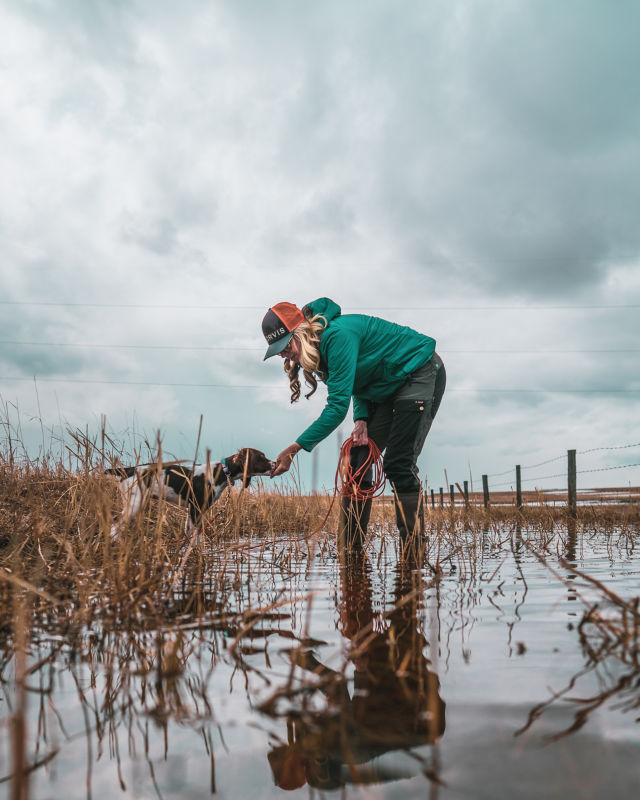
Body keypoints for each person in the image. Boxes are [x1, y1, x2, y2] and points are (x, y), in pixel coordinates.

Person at [262, 298, 445, 549]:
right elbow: (358, 380)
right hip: (385, 386)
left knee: (398, 464)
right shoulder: (314, 351)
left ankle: (414, 551)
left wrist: (294, 449)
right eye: (278, 351)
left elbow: (337, 408)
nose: (284, 355)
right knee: (357, 461)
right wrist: (361, 419)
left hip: (419, 370)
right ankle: (350, 550)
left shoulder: (337, 337)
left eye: (285, 346)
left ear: (300, 332)